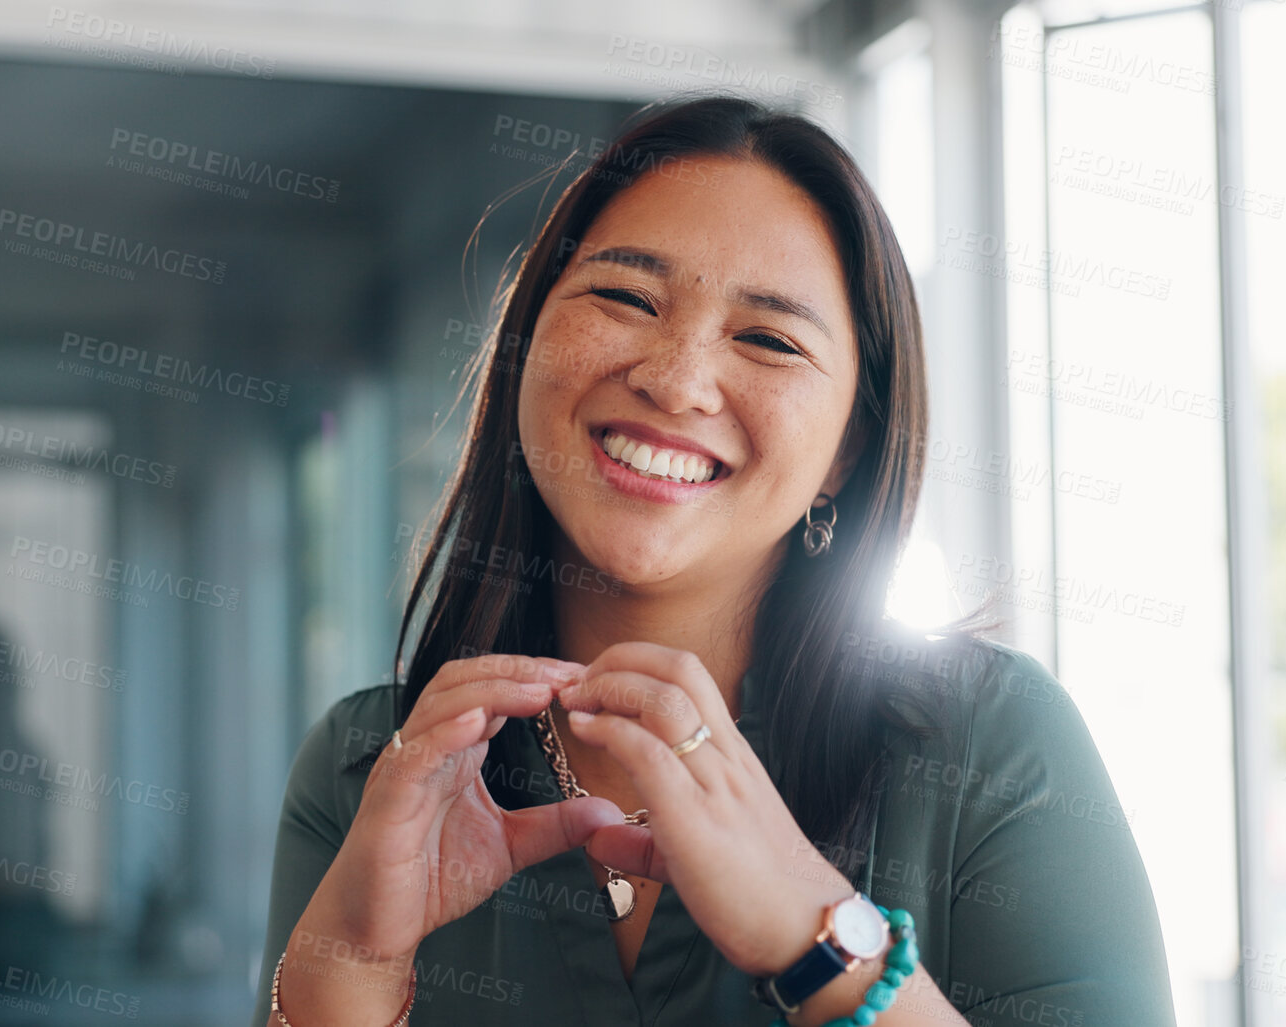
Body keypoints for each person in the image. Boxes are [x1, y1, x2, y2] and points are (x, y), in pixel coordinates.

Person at [250, 93, 1175, 1027]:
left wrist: (812, 931)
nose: (677, 378)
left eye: (768, 339)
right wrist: (354, 967)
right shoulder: (369, 764)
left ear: (849, 449)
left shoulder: (989, 745)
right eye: (623, 297)